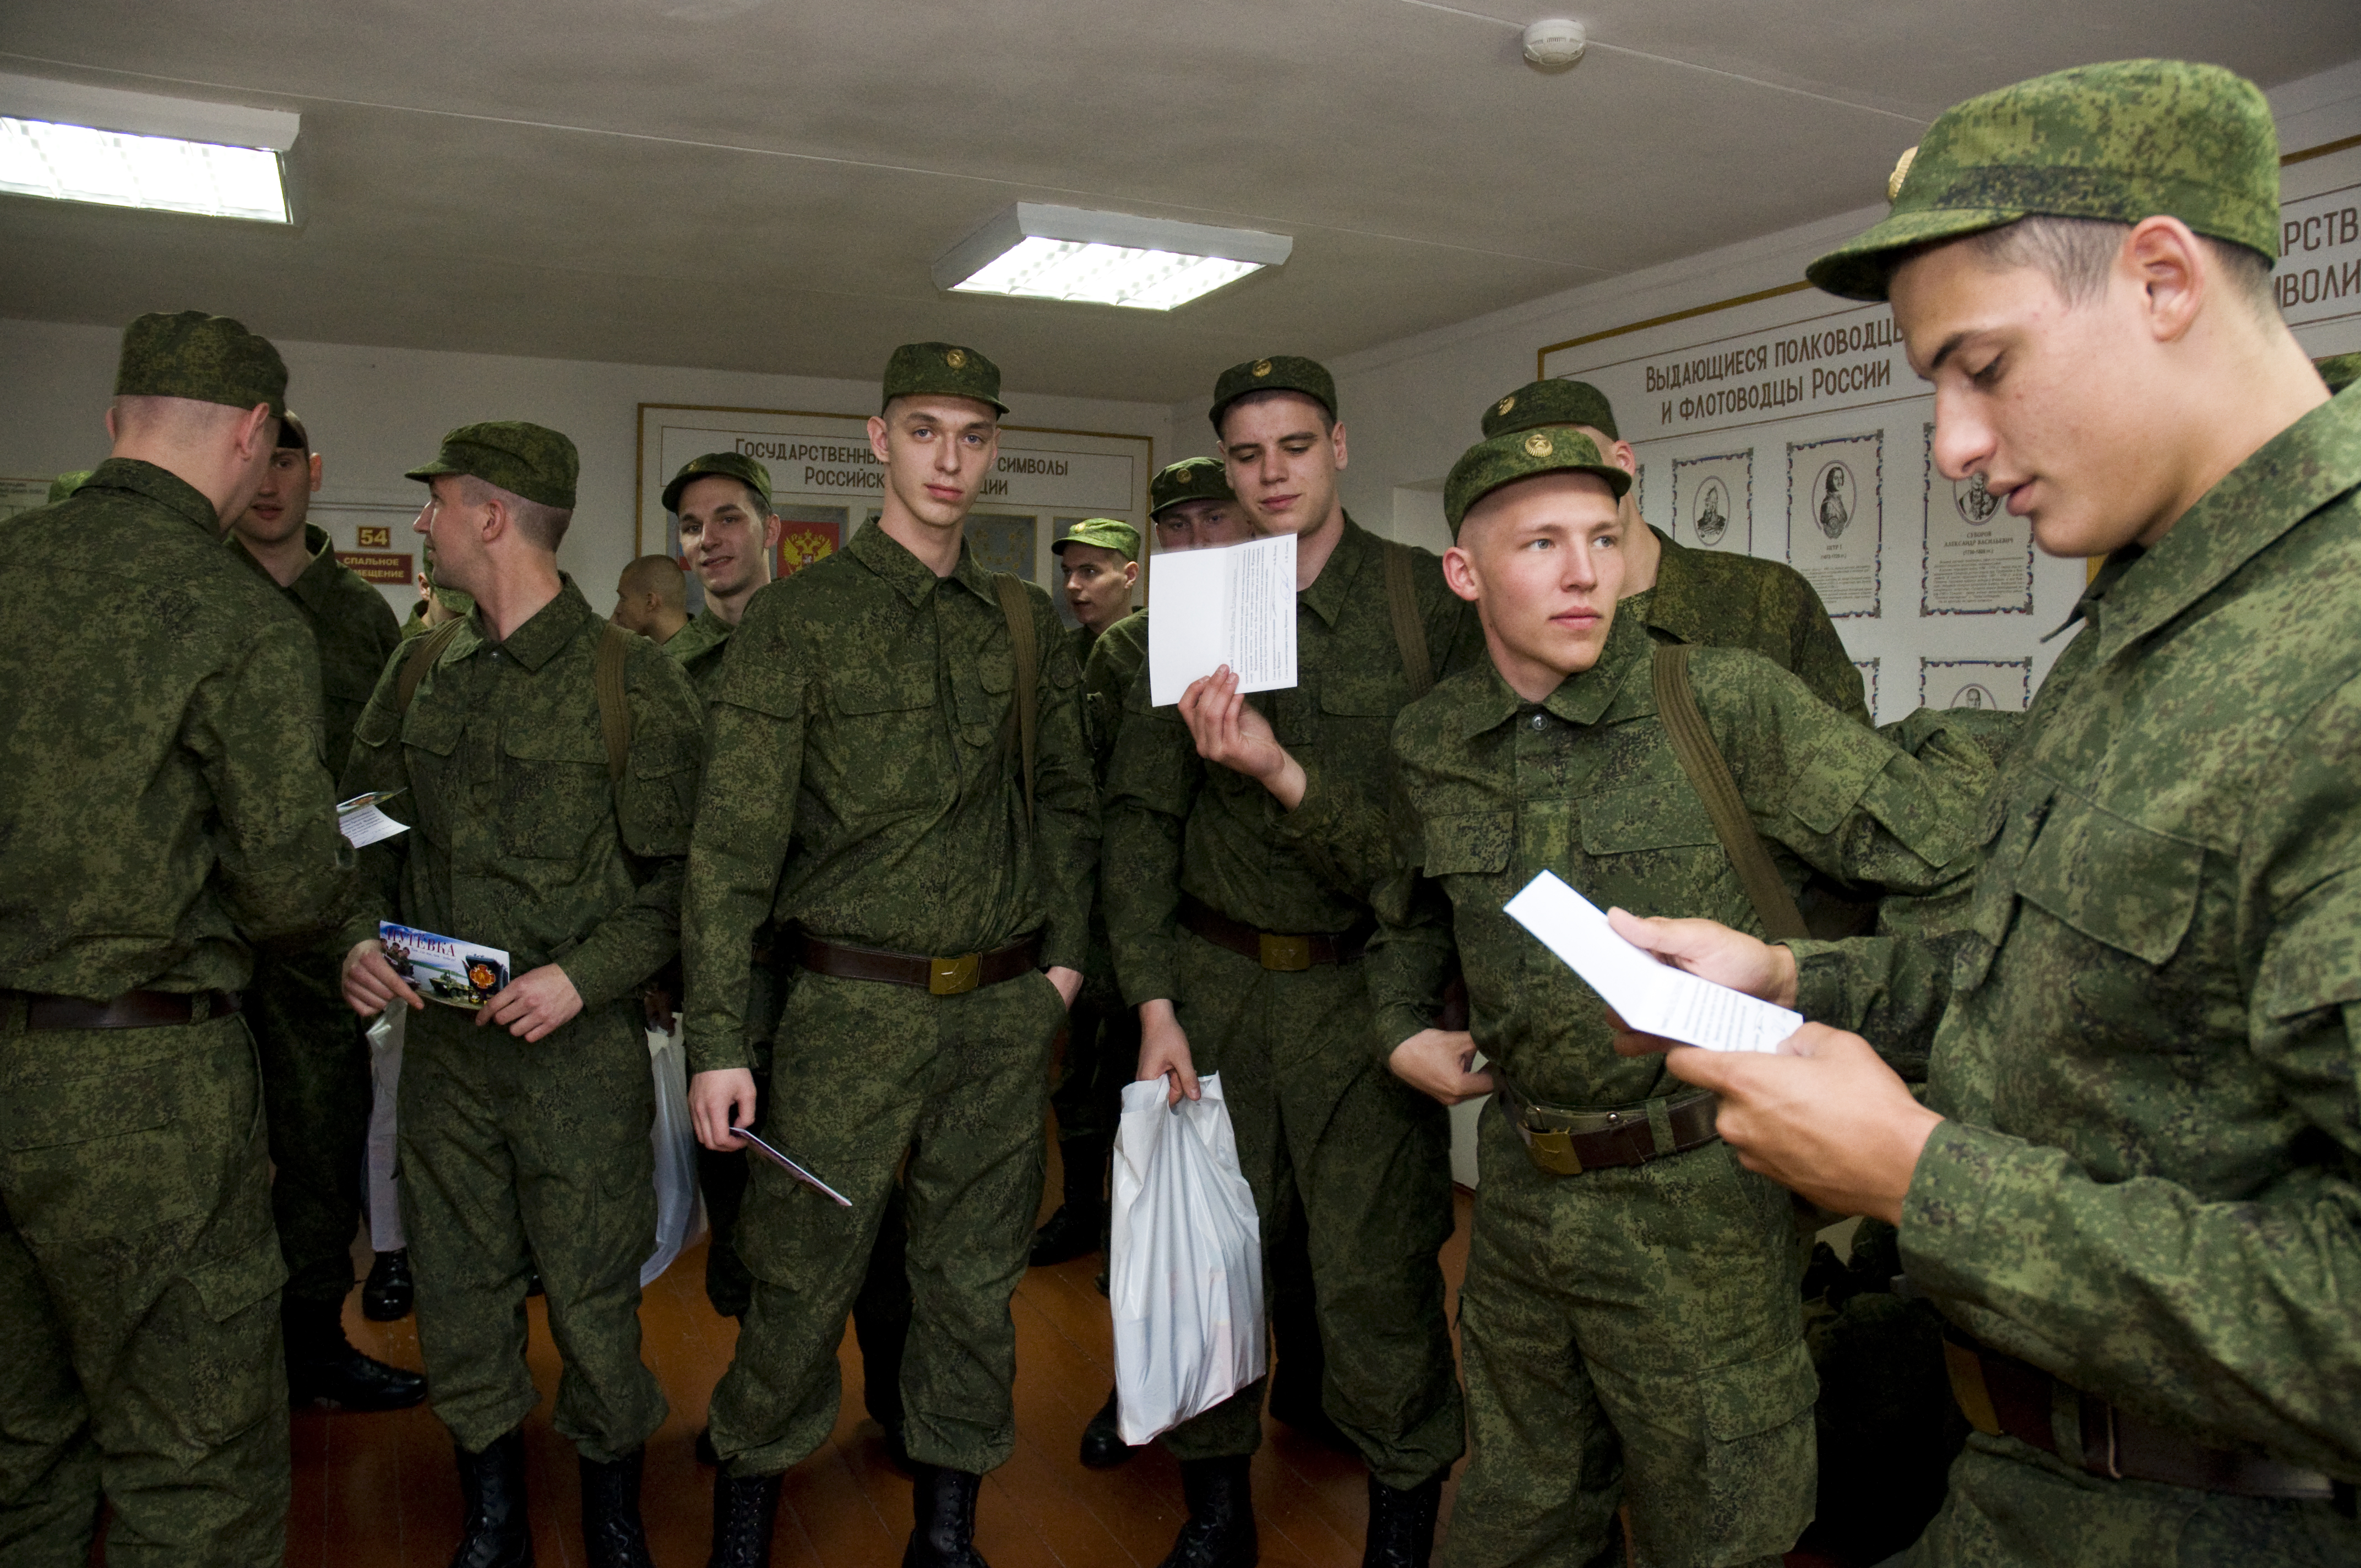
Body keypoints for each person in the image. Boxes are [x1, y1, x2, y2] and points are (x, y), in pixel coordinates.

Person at [1610, 59, 2361, 1566]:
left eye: (1987, 367)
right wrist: (1789, 981)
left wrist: (1915, 1178)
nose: (1953, 446)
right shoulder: (2160, 605)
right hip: (2022, 1488)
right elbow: (2051, 981)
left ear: (2160, 279)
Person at [1368, 425, 1988, 1568]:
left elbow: (1944, 847)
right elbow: (1403, 911)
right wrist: (1398, 1021)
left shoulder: (1721, 701)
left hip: (1698, 1194)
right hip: (1519, 1191)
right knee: (1515, 1509)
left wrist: (1823, 995)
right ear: (1463, 573)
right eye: (1539, 541)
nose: (1581, 570)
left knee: (1719, 1528)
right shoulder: (1431, 739)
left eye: (1602, 536)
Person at [682, 342, 1096, 1568]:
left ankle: (947, 1528)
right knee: (800, 1271)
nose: (950, 460)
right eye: (925, 431)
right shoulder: (801, 619)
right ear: (878, 441)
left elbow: (1070, 803)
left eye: (973, 436)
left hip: (1000, 1011)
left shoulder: (1023, 622)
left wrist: (1063, 968)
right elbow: (730, 850)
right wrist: (716, 1040)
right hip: (844, 1011)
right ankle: (747, 1510)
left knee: (971, 1280)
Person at [1103, 356, 1479, 1567]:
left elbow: (1430, 845)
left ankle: (1400, 1532)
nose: (1271, 474)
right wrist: (1153, 1003)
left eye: (1294, 447)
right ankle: (1215, 1516)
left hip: (1362, 991)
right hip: (1210, 989)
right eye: (1247, 455)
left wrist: (1277, 770)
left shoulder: (1425, 605)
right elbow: (1141, 820)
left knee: (1374, 1279)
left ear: (1340, 449)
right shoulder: (1198, 603)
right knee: (1206, 1267)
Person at [0, 310, 354, 1566]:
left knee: (19, 1448)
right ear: (259, 439)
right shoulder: (239, 617)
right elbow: (292, 891)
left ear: (113, 423)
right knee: (191, 1465)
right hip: (143, 1092)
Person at [338, 421, 705, 1568]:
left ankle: (612, 1517)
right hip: (444, 1059)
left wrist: (582, 975)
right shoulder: (420, 665)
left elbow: (687, 882)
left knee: (596, 1299)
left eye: (436, 502)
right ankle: (492, 1516)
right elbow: (361, 819)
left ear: (490, 516)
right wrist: (357, 932)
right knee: (456, 1290)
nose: (420, 524)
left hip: (577, 1060)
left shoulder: (632, 681)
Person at [225, 406, 422, 1412]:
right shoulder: (198, 589)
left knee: (318, 1145)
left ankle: (311, 1346)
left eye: (287, 462)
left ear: (314, 473)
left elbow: (377, 785)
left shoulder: (358, 616)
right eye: (255, 459)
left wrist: (357, 895)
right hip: (203, 935)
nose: (269, 481)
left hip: (318, 936)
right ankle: (218, 1367)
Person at [1478, 377, 1868, 723]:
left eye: (1578, 461)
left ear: (1623, 462)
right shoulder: (1502, 621)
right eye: (1524, 479)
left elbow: (1855, 770)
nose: (1558, 491)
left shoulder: (1765, 599)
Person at [1029, 516, 1143, 1268]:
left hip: (1138, 906)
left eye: (1093, 572)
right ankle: (1081, 1212)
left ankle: (1138, 1232)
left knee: (1139, 1080)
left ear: (1130, 575)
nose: (1076, 587)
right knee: (1078, 1083)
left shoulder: (1145, 656)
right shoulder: (1064, 660)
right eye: (1069, 572)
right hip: (1078, 903)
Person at [665, 450, 786, 697]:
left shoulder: (820, 643)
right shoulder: (668, 669)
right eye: (693, 527)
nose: (707, 540)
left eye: (728, 520)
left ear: (770, 531)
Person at [611, 552, 690, 644]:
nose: (617, 610)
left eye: (623, 599)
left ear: (650, 602)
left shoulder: (691, 657)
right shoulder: (694, 644)